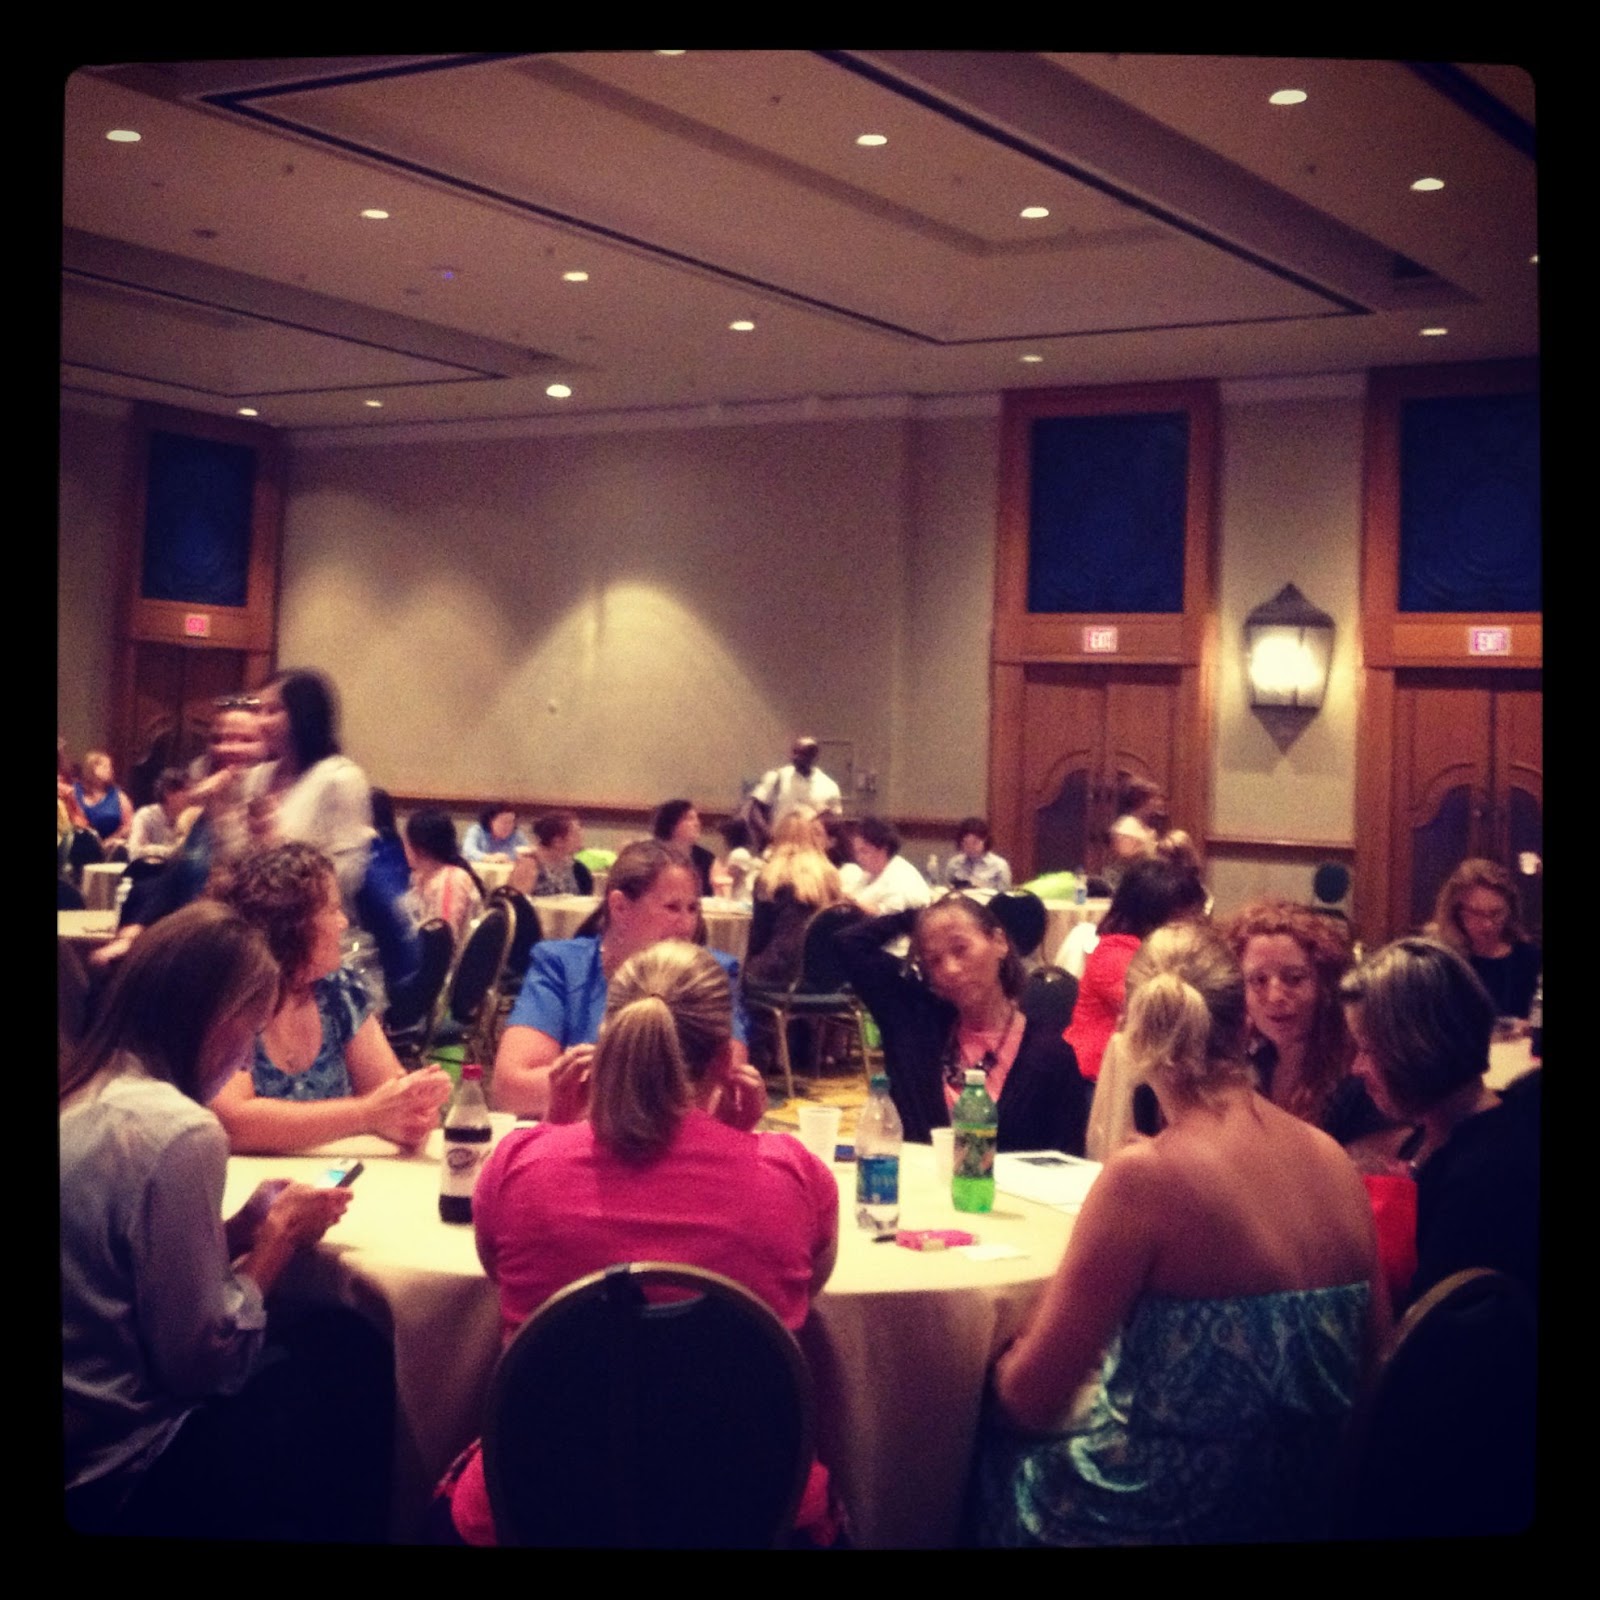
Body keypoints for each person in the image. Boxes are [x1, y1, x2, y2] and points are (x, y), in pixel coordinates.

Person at [978, 922, 1384, 1547]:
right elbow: (1375, 1361)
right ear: (1245, 1026)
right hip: (1307, 1511)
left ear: (1133, 1035)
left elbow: (1031, 1401)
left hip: (1160, 1519)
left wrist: (999, 1358)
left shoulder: (1144, 1177)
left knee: (974, 1451)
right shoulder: (1331, 1158)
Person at [433, 941, 839, 1546]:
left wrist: (551, 1135)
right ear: (725, 1058)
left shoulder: (518, 1164)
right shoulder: (793, 1174)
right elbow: (810, 1281)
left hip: (545, 1505)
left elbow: (498, 1270)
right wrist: (741, 1146)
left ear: (608, 1041)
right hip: (745, 1508)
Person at [61, 901, 391, 1542]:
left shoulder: (85, 1086)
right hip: (116, 1464)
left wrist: (238, 1230)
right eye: (252, 1032)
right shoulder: (179, 1130)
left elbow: (120, 1265)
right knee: (353, 1355)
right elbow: (203, 1363)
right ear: (221, 1020)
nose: (245, 1060)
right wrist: (279, 1238)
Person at [209, 842, 451, 1153]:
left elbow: (389, 1096)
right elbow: (233, 1122)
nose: (343, 923)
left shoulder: (338, 989)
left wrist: (412, 1112)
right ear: (293, 926)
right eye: (333, 910)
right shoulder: (231, 994)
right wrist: (366, 1115)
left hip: (330, 1176)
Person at [1341, 937, 1540, 1306]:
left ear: (1418, 1049)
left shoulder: (1484, 1179)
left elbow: (1430, 1331)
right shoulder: (1444, 1133)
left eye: (1367, 1050)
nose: (1356, 1067)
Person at [495, 839, 751, 1118]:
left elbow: (726, 1092)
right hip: (577, 1139)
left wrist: (590, 1082)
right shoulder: (562, 966)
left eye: (692, 909)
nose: (687, 925)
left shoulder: (712, 974)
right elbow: (512, 1087)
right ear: (620, 907)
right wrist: (663, 1088)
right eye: (672, 908)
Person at [834, 894, 1090, 1150]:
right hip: (918, 1176)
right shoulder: (915, 1025)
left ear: (999, 942)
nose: (950, 969)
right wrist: (916, 917)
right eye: (934, 960)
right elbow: (848, 944)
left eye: (960, 949)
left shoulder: (1051, 1054)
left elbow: (1068, 1158)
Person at [1223, 898, 1387, 1145]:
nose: (1275, 996)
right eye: (1259, 980)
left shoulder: (1358, 1073)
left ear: (1324, 984)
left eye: (1294, 979)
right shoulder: (1252, 1062)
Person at [1065, 853, 1207, 1082]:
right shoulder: (1114, 954)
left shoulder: (1162, 950)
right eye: (1187, 917)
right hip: (1096, 1079)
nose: (1195, 927)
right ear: (1153, 915)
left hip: (1142, 1072)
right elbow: (1163, 1013)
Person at [243, 669, 373, 903]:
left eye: (272, 711)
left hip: (308, 916)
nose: (259, 721)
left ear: (303, 715)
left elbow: (346, 875)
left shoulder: (339, 778)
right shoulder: (257, 776)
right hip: (254, 909)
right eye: (257, 711)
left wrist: (277, 846)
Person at [1427, 858, 1541, 1020]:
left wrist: (1529, 1026)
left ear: (1510, 910)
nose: (1487, 924)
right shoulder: (1440, 961)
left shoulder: (1530, 958)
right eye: (1476, 913)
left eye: (1496, 913)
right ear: (1456, 911)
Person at [746, 811, 844, 989]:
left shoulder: (770, 877)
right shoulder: (831, 875)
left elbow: (759, 936)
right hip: (827, 975)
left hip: (781, 972)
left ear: (778, 839)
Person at [402, 806, 486, 944]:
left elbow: (445, 940)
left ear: (420, 849)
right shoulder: (420, 876)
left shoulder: (451, 881)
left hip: (451, 955)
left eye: (406, 842)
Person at [747, 736, 843, 846]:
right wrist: (768, 835)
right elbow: (754, 809)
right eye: (794, 752)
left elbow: (834, 821)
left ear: (814, 756)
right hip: (778, 846)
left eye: (802, 754)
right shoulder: (777, 777)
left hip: (812, 849)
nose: (795, 757)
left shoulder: (829, 786)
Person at [849, 815, 932, 915]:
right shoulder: (869, 874)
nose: (858, 858)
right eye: (857, 852)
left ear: (883, 849)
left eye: (864, 852)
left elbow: (884, 914)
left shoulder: (901, 877)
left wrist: (852, 903)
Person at [1103, 776, 1164, 890]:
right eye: (1154, 798)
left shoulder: (1145, 826)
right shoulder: (1126, 826)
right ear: (1142, 801)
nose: (1159, 803)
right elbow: (1125, 854)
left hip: (1141, 883)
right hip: (1123, 884)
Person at [652, 797, 718, 897]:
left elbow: (710, 895)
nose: (697, 824)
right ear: (671, 823)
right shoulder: (650, 855)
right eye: (689, 818)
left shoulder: (706, 858)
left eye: (696, 818)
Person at [73, 749, 133, 850]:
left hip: (111, 847)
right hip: (81, 847)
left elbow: (128, 825)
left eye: (110, 767)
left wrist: (110, 841)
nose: (110, 770)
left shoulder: (118, 795)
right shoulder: (75, 791)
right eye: (105, 767)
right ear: (91, 769)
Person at [526, 810, 594, 897]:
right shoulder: (529, 867)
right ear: (557, 841)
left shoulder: (578, 870)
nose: (581, 836)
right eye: (575, 834)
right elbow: (517, 902)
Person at [127, 767, 191, 857]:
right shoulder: (146, 816)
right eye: (185, 790)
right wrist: (172, 852)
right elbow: (135, 852)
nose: (190, 795)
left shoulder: (190, 819)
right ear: (168, 793)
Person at [944, 816, 1012, 893]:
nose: (970, 847)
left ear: (985, 840)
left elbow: (1004, 896)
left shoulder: (999, 866)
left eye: (975, 843)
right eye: (966, 843)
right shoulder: (954, 864)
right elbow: (948, 891)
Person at [463, 803, 531, 863]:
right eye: (504, 822)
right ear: (490, 821)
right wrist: (488, 858)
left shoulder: (517, 835)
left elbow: (528, 853)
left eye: (511, 822)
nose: (509, 826)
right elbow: (468, 850)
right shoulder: (477, 831)